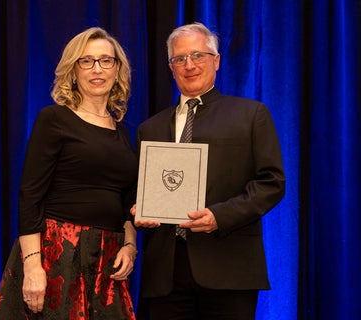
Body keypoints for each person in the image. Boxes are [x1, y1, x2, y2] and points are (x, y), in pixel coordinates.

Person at [132, 22, 286, 320]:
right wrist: (139, 210)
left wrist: (220, 216)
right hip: (166, 276)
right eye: (180, 59)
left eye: (198, 55)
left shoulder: (251, 115)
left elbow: (272, 183)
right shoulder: (148, 129)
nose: (189, 65)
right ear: (171, 67)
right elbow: (137, 191)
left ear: (216, 60)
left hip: (229, 268)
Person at [0, 27, 138, 320]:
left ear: (117, 69)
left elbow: (127, 201)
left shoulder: (122, 132)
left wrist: (130, 246)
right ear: (73, 70)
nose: (97, 69)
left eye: (106, 60)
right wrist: (33, 267)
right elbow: (30, 194)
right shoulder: (54, 119)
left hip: (107, 258)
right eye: (87, 61)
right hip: (59, 253)